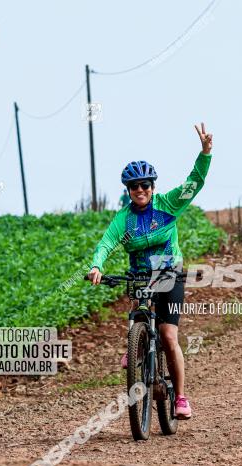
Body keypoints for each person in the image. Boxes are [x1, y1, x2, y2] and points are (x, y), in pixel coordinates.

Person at [87, 123, 214, 420]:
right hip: (141, 274)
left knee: (169, 336)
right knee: (138, 309)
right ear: (128, 191)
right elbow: (106, 244)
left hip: (169, 272)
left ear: (152, 187)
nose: (140, 190)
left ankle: (180, 397)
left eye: (145, 185)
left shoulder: (168, 205)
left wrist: (205, 152)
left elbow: (194, 181)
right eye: (134, 187)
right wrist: (96, 265)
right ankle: (136, 349)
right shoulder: (124, 219)